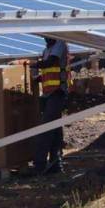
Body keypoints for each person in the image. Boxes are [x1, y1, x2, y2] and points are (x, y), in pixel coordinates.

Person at [33, 37, 69, 174]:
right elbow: (49, 71)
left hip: (58, 92)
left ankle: (40, 163)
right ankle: (56, 162)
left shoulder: (60, 44)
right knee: (55, 128)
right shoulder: (46, 50)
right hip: (48, 93)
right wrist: (38, 78)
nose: (45, 39)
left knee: (46, 127)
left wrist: (33, 64)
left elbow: (52, 63)